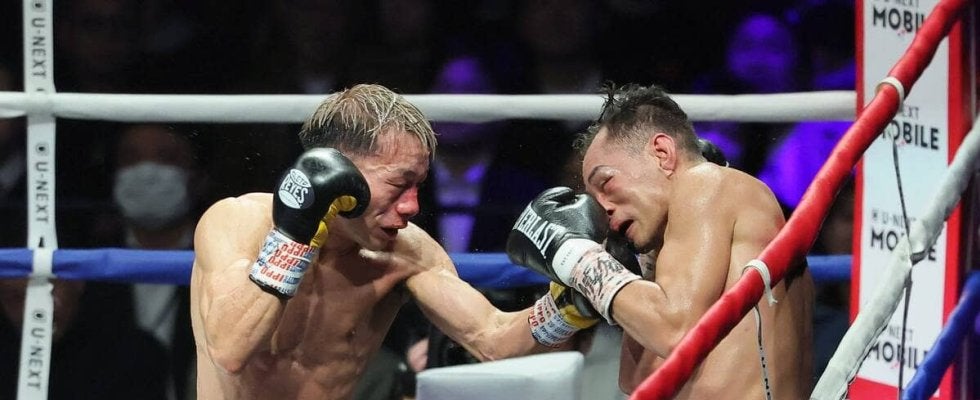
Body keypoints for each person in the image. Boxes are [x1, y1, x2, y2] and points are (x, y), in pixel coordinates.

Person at [189, 84, 593, 400]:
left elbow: (492, 339)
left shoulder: (407, 252)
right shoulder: (238, 222)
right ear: (338, 169)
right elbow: (230, 351)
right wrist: (296, 235)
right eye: (399, 184)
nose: (413, 206)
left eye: (418, 186)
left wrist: (572, 303)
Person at [505, 83, 814, 398]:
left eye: (606, 182)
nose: (602, 208)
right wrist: (643, 264)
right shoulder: (690, 251)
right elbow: (635, 380)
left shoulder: (705, 180)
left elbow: (673, 331)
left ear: (663, 154)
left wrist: (575, 255)